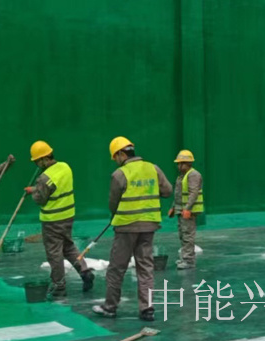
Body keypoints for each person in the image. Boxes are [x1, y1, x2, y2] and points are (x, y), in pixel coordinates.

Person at [92, 137, 172, 321]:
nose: (115, 161)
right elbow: (167, 191)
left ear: (121, 154)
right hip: (148, 225)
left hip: (126, 227)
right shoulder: (153, 168)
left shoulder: (119, 174)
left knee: (116, 268)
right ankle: (147, 309)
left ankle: (110, 307)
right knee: (145, 268)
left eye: (115, 157)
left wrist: (116, 215)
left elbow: (113, 203)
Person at [25, 140, 94, 298]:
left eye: (37, 161)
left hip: (52, 220)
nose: (37, 165)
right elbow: (54, 188)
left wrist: (35, 192)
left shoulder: (44, 178)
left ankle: (59, 287)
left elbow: (40, 199)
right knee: (68, 247)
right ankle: (85, 271)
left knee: (54, 253)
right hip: (67, 216)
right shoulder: (65, 167)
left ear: (44, 159)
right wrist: (35, 189)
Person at [168, 150, 203, 270]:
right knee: (182, 235)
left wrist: (188, 209)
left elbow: (193, 193)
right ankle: (185, 257)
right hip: (181, 210)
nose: (178, 166)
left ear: (188, 163)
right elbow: (178, 194)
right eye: (178, 163)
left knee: (187, 235)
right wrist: (173, 207)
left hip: (188, 211)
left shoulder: (193, 175)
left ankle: (189, 260)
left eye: (181, 163)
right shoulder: (182, 176)